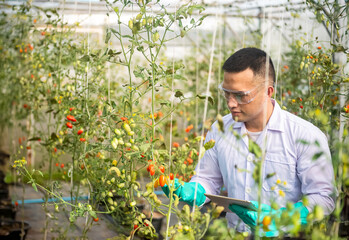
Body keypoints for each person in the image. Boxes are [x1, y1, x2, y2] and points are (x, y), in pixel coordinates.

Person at [162, 47, 336, 237]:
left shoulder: (305, 136)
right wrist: (194, 189)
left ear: (268, 91)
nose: (231, 103)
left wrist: (286, 216)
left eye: (240, 95)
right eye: (226, 93)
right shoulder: (220, 129)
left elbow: (323, 197)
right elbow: (208, 178)